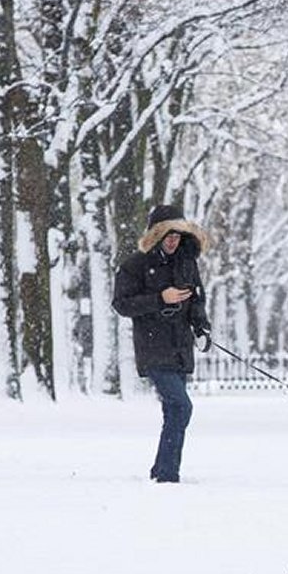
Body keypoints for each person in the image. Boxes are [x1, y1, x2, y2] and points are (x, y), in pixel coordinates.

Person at [112, 205, 211, 483]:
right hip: (153, 347)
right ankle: (168, 473)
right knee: (182, 406)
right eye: (167, 235)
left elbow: (196, 301)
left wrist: (202, 328)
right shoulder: (135, 265)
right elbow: (121, 304)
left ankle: (162, 469)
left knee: (173, 411)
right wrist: (159, 299)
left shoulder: (186, 263)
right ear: (156, 235)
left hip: (181, 348)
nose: (172, 240)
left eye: (177, 235)